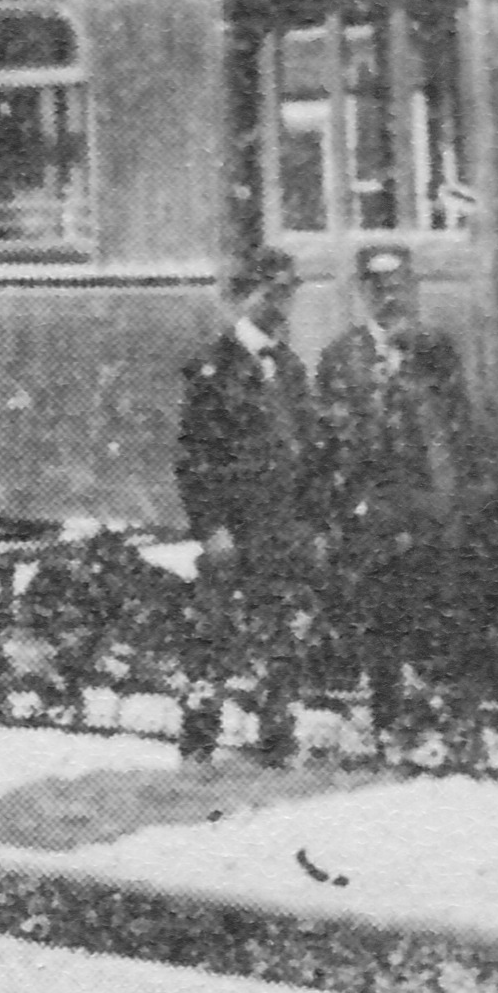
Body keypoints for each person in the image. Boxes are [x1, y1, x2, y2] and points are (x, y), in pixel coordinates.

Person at [315, 240, 498, 766]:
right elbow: (329, 439)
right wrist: (343, 508)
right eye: (378, 289)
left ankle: (458, 729)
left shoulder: (435, 350)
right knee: (382, 622)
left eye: (399, 287)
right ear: (363, 294)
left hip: (430, 504)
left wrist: (463, 495)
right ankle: (388, 728)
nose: (390, 298)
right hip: (375, 508)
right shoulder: (342, 357)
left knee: (446, 615)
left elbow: (459, 428)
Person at [173, 244, 317, 765]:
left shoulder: (290, 367)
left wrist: (308, 521)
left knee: (280, 632)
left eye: (288, 293)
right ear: (244, 296)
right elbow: (194, 460)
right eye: (271, 292)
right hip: (232, 530)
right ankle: (198, 739)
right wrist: (211, 530)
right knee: (213, 635)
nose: (281, 304)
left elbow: (306, 449)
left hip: (279, 526)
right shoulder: (213, 368)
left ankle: (275, 738)